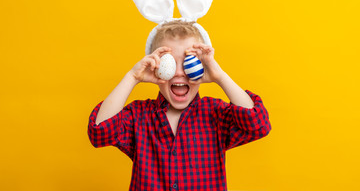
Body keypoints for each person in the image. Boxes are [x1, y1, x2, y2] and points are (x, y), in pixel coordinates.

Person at [87, 19, 272, 191]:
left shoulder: (216, 114)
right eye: (169, 63)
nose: (179, 73)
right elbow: (99, 132)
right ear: (155, 66)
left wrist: (219, 76)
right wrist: (132, 77)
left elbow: (258, 125)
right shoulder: (139, 116)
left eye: (188, 62)